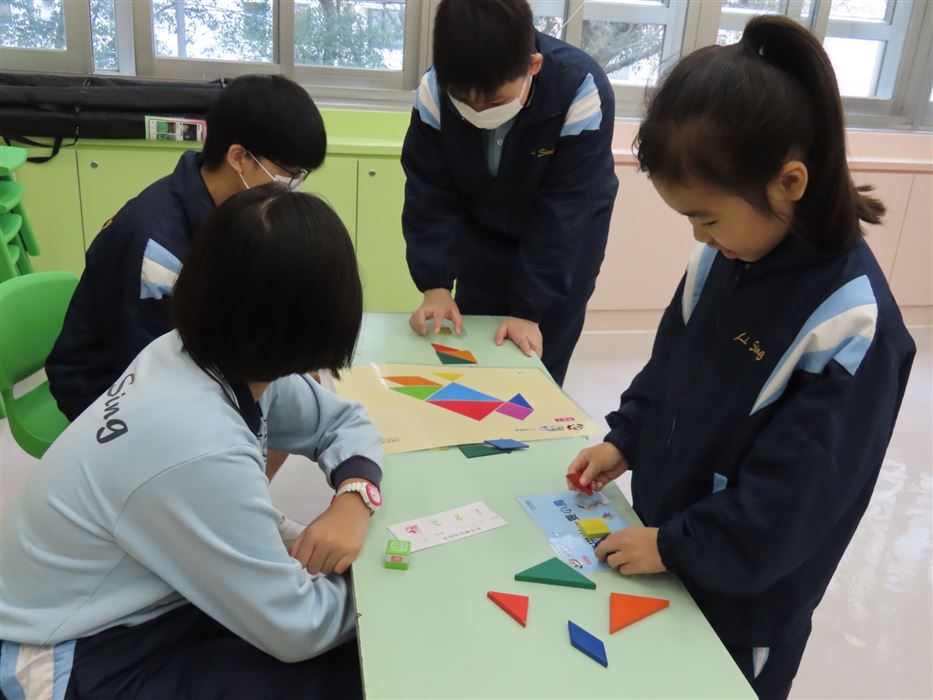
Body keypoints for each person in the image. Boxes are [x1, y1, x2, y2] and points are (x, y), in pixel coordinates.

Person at [566, 16, 915, 700]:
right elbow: (669, 370)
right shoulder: (721, 259)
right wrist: (627, 438)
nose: (700, 237)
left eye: (707, 217)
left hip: (745, 603)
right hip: (669, 549)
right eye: (688, 221)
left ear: (788, 183)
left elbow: (791, 504)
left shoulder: (850, 324)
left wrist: (674, 546)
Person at [1, 186, 382, 699]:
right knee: (353, 674)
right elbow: (299, 628)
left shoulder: (199, 350)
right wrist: (380, 593)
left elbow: (343, 422)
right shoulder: (198, 443)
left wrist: (355, 496)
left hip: (134, 597)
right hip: (66, 651)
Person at [46, 74, 326, 425]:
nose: (292, 187)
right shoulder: (157, 253)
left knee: (299, 394)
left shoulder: (229, 208)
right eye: (288, 174)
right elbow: (155, 375)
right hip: (106, 393)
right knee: (271, 416)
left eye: (300, 176)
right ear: (239, 157)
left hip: (180, 360)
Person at [401, 0, 618, 386]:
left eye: (494, 102)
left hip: (565, 242)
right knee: (473, 355)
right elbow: (430, 192)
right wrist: (435, 286)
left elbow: (565, 212)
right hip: (484, 228)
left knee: (533, 368)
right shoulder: (435, 88)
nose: (477, 110)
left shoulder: (580, 89)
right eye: (463, 100)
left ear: (533, 66)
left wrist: (528, 310)